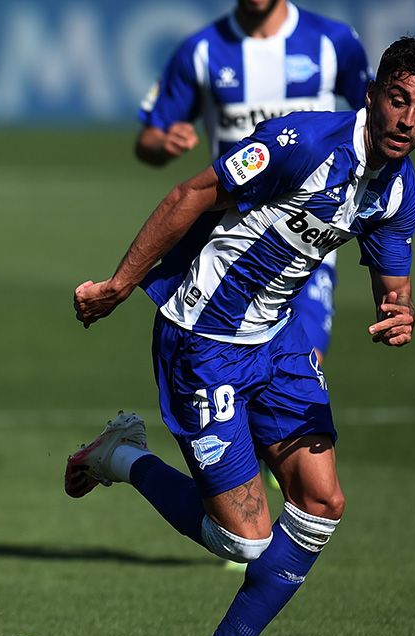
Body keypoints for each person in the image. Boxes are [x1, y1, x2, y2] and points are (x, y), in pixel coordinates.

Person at [68, 37, 415, 636]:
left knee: (323, 501)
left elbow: (395, 285)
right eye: (397, 101)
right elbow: (192, 192)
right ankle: (121, 457)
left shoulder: (397, 189)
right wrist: (120, 283)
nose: (406, 120)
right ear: (372, 94)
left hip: (278, 345)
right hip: (202, 339)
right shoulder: (303, 142)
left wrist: (400, 312)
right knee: (244, 540)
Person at [137, 0, 372, 365]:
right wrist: (164, 144)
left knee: (303, 366)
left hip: (306, 235)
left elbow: (376, 121)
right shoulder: (200, 50)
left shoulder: (333, 42)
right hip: (229, 239)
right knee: (219, 371)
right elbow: (148, 139)